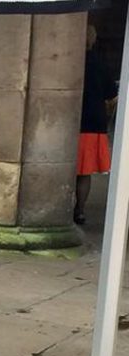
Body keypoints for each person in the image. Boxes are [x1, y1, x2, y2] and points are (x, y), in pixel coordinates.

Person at [74, 24, 118, 225]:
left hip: (72, 121)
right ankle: (80, 210)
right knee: (85, 171)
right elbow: (111, 95)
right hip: (93, 122)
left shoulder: (70, 63)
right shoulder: (100, 64)